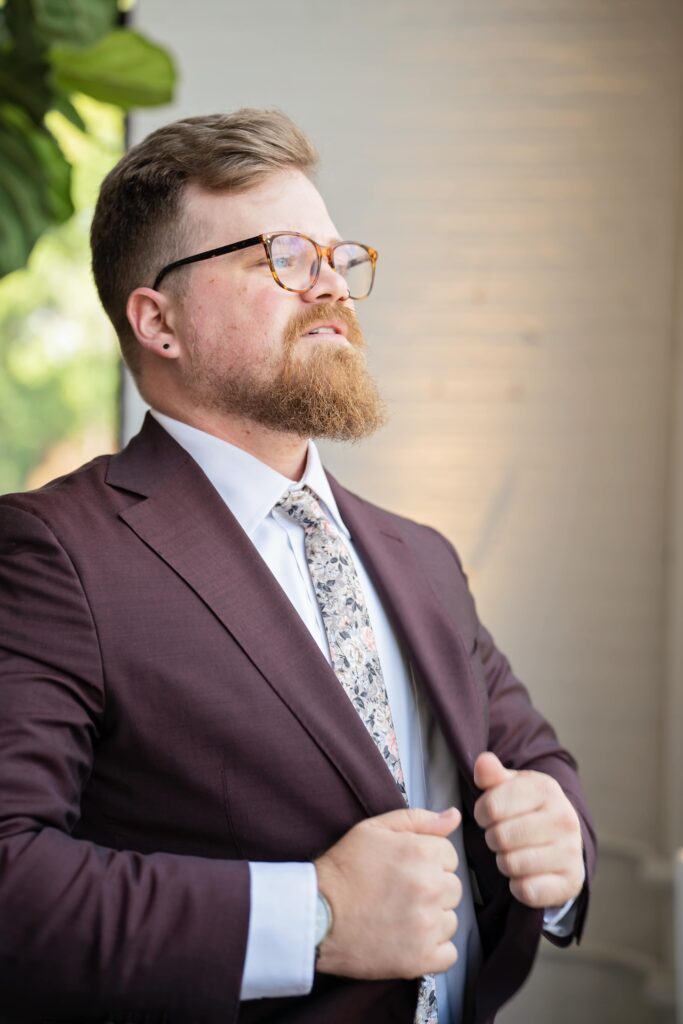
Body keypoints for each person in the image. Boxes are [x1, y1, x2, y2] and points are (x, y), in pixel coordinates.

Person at [0, 109, 595, 1024]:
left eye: (337, 257)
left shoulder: (421, 556)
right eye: (282, 256)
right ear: (158, 321)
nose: (333, 288)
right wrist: (312, 915)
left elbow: (527, 759)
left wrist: (558, 839)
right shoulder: (53, 552)